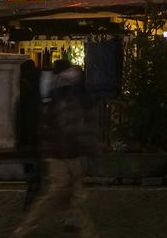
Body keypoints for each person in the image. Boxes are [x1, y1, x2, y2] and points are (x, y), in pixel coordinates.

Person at [13, 59, 99, 238]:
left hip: (68, 151)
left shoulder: (56, 92)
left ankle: (85, 230)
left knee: (77, 195)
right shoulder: (62, 95)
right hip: (61, 152)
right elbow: (66, 125)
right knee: (59, 193)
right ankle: (26, 226)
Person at [16, 59, 42, 209]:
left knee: (32, 174)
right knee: (35, 175)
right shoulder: (32, 90)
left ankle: (31, 200)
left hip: (26, 141)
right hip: (32, 141)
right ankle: (32, 203)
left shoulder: (23, 90)